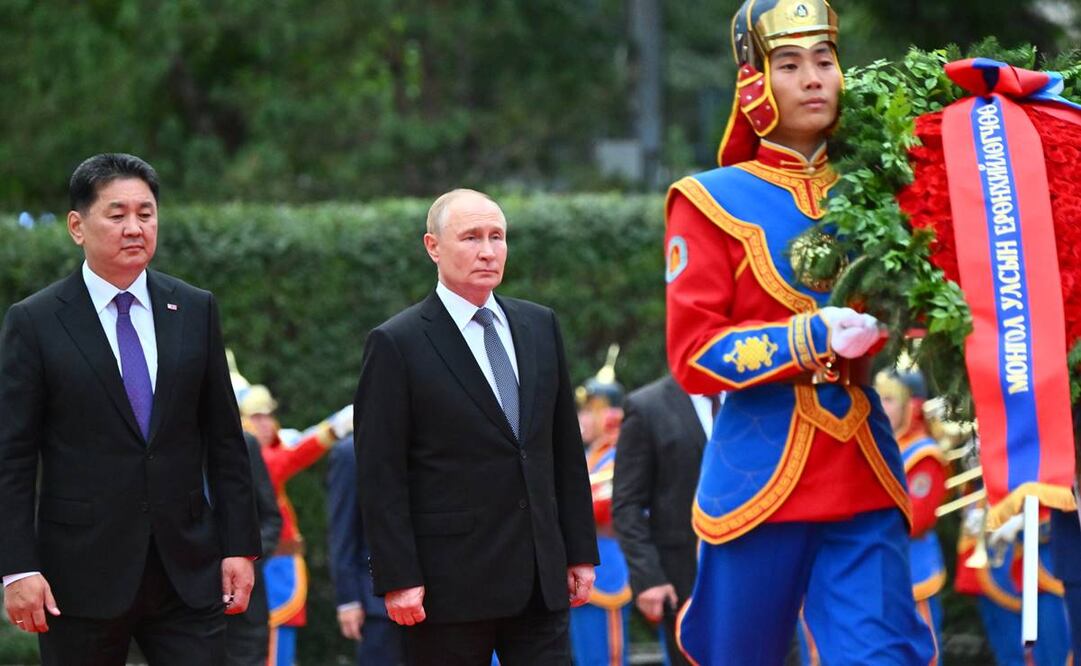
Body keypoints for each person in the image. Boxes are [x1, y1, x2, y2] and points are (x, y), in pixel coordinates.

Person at [664, 3, 936, 663]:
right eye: (789, 64)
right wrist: (806, 338)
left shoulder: (883, 189)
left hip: (861, 463)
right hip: (758, 473)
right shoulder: (707, 199)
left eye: (824, 60)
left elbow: (929, 304)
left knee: (880, 654)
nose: (813, 78)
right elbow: (693, 353)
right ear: (754, 82)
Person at [0, 153, 260, 665]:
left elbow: (226, 441)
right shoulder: (35, 322)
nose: (134, 227)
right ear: (78, 226)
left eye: (146, 213)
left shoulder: (194, 308)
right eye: (117, 215)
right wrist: (16, 568)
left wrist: (240, 546)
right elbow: (11, 455)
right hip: (78, 575)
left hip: (188, 567)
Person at [354, 188, 599, 665]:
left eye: (497, 237)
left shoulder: (539, 325)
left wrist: (579, 551)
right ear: (433, 247)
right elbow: (381, 472)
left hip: (539, 577)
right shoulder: (396, 342)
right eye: (470, 237)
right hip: (448, 587)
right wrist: (398, 576)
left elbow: (563, 449)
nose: (488, 251)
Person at [238, 384, 352, 666]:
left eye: (267, 415)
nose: (265, 423)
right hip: (265, 571)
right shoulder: (256, 459)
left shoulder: (269, 451)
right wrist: (335, 427)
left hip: (277, 570)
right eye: (255, 417)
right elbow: (289, 457)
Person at [611, 374, 717, 666]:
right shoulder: (648, 406)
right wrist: (648, 578)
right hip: (684, 580)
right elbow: (627, 503)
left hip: (760, 573)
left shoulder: (755, 395)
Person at [569, 351, 631, 666]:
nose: (582, 419)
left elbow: (604, 505)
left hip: (607, 564)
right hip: (579, 568)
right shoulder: (590, 456)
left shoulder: (622, 454)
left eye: (591, 410)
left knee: (606, 659)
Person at [224, 355, 284, 666]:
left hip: (245, 605)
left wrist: (247, 558)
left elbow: (270, 516)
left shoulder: (244, 444)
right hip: (183, 604)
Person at [327, 434, 405, 665]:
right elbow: (343, 531)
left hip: (435, 598)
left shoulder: (429, 442)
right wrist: (348, 599)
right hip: (375, 601)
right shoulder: (350, 452)